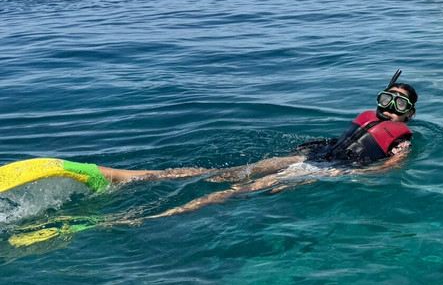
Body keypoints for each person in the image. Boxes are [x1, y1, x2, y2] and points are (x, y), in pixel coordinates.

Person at [49, 73, 417, 223]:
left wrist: (372, 173)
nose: (390, 107)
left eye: (399, 104)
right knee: (226, 175)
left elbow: (393, 163)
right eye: (387, 98)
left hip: (329, 167)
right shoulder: (371, 117)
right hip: (315, 157)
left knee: (244, 186)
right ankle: (122, 176)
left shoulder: (403, 135)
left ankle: (153, 215)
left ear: (409, 114)